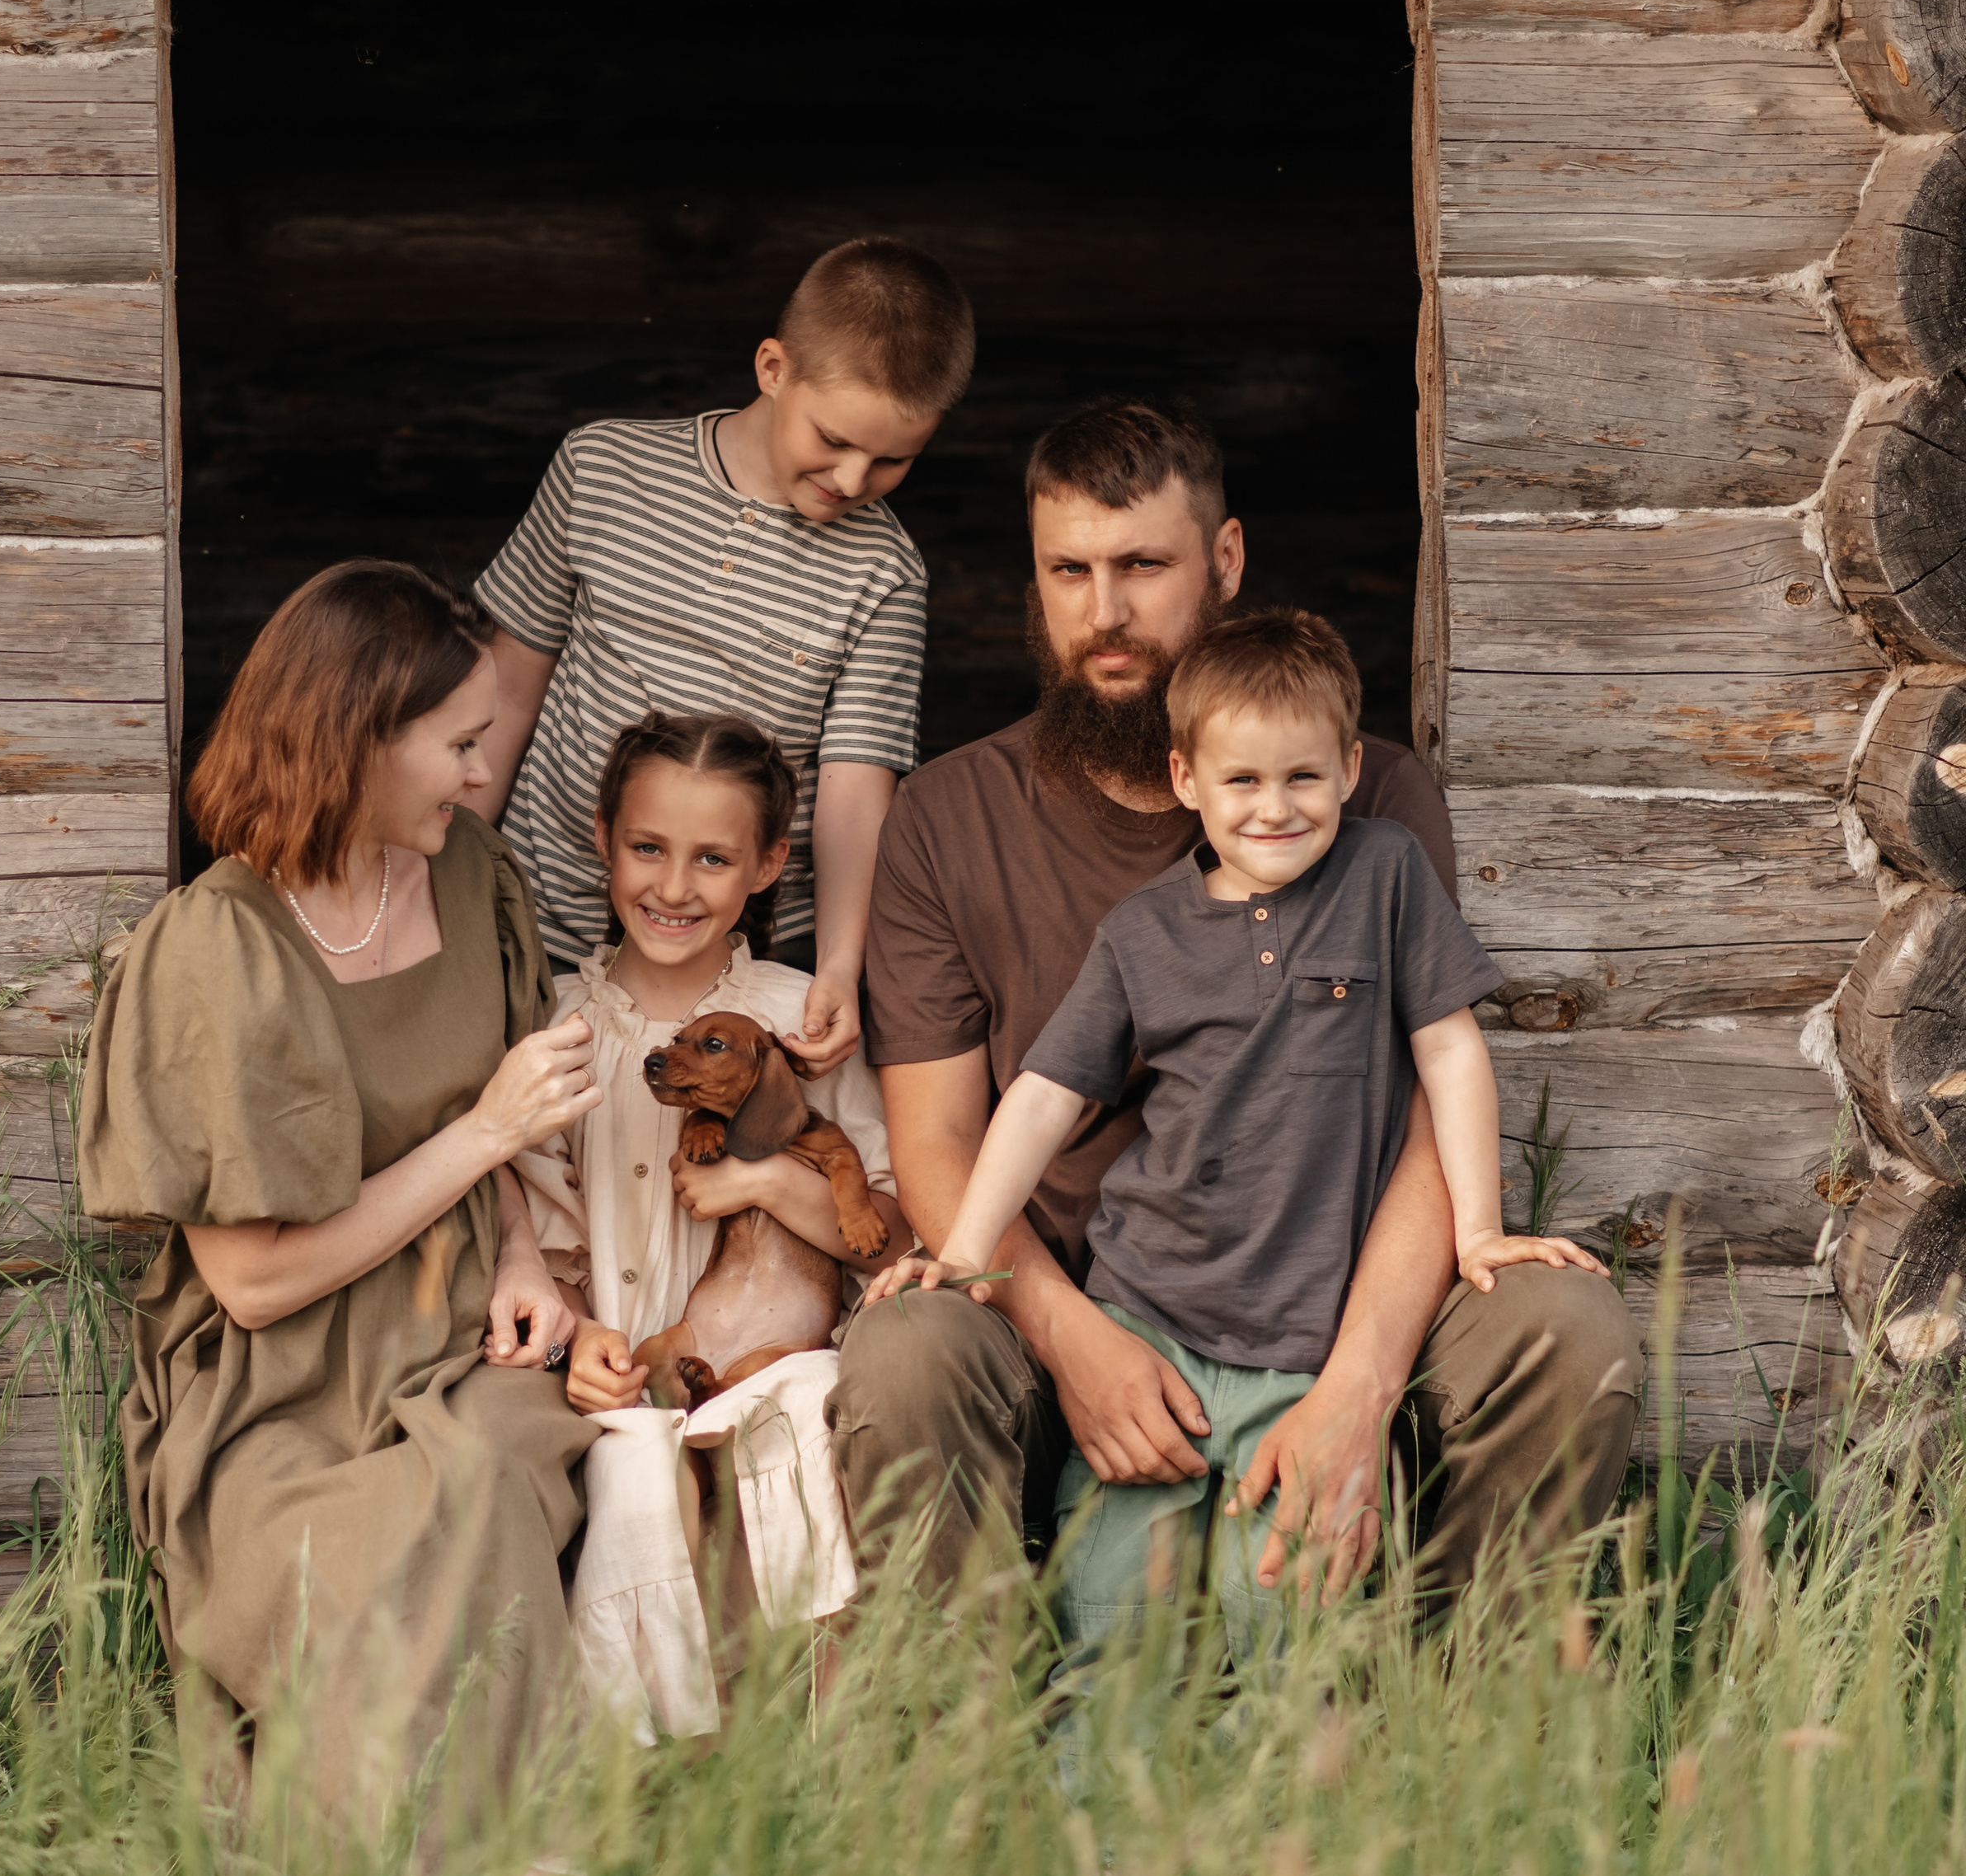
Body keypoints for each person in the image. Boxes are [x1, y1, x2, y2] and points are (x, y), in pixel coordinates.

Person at [832, 400, 1643, 1611]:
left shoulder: (1373, 818)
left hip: (1332, 1305)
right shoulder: (951, 817)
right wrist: (1073, 1342)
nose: (1104, 612)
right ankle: (970, 1761)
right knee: (903, 1352)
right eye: (1071, 570)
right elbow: (941, 1142)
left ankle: (1482, 1744)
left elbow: (1435, 1096)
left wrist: (1357, 1387)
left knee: (1564, 1325)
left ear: (1224, 561)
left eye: (1144, 566)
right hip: (1070, 1310)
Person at [77, 560, 604, 1876]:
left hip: (450, 1340)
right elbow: (254, 1282)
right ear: (360, 738)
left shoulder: (474, 872)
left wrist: (530, 1255)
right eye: (462, 743)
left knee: (489, 1475)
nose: (484, 774)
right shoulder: (216, 947)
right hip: (277, 1388)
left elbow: (511, 1124)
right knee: (372, 1550)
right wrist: (486, 1132)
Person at [465, 235, 976, 1070]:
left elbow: (853, 793)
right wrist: (436, 875)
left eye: (892, 460)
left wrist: (842, 966)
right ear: (774, 368)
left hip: (736, 965)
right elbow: (507, 691)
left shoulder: (886, 572)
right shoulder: (603, 470)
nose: (852, 479)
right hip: (537, 923)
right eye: (834, 439)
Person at [514, 710, 908, 1739]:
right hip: (617, 1374)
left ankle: (817, 1748)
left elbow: (893, 1231)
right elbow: (531, 1235)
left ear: (771, 862)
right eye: (648, 848)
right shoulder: (556, 1026)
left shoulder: (805, 1020)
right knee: (638, 1469)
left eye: (713, 857)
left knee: (795, 1417)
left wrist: (769, 1186)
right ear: (602, 839)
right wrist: (579, 1337)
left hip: (774, 1355)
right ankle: (654, 1771)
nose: (674, 886)